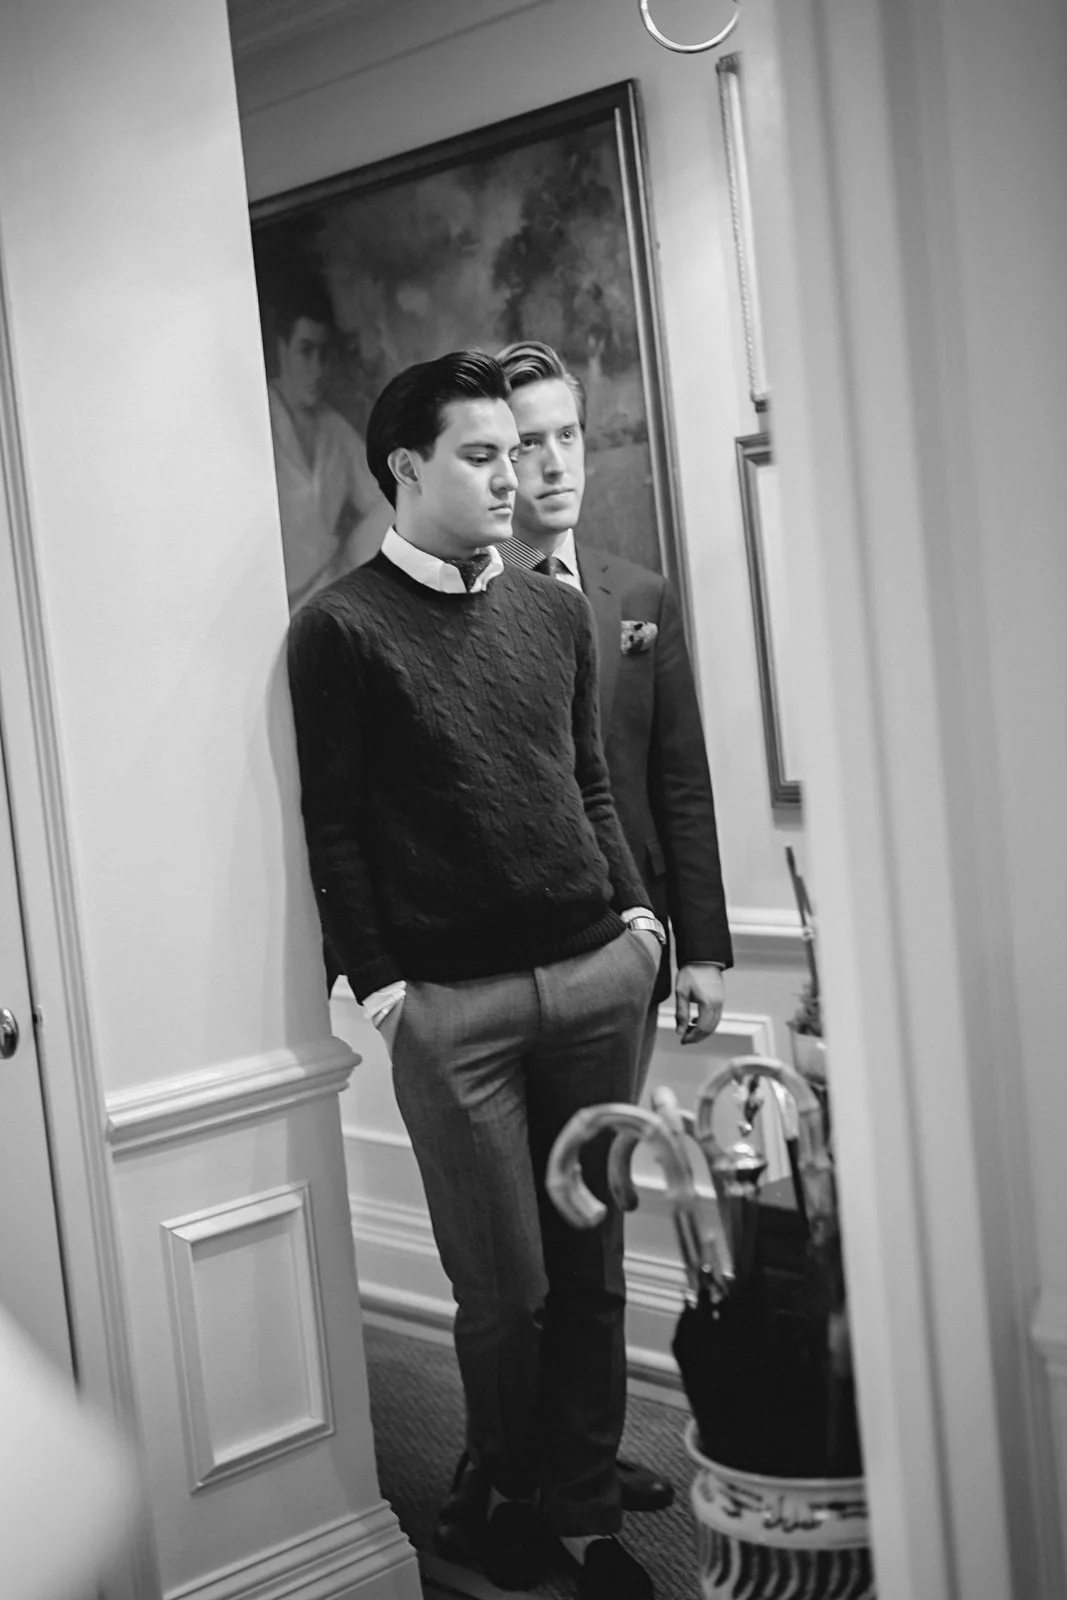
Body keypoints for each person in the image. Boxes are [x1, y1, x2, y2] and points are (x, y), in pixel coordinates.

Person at [287, 350, 663, 1600]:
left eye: (519, 451)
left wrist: (637, 917)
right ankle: (500, 1489)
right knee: (504, 1295)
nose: (520, 477)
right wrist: (387, 990)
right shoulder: (338, 627)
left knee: (595, 1268)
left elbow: (588, 780)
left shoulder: (554, 611)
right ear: (405, 466)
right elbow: (332, 828)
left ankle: (584, 1502)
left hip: (594, 978)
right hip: (455, 1013)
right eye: (483, 454)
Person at [497, 340, 733, 1087]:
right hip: (508, 958)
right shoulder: (462, 602)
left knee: (601, 1181)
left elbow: (680, 779)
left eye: (567, 436)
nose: (555, 463)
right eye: (528, 443)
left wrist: (701, 949)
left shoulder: (637, 595)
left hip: (629, 944)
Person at [267, 278, 390, 608]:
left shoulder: (332, 426)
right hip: (273, 606)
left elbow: (384, 499)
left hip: (332, 589)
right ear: (282, 348)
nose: (317, 368)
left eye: (325, 354)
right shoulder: (262, 419)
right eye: (306, 351)